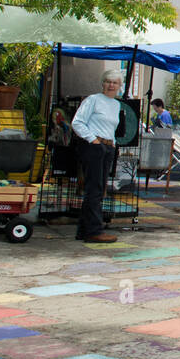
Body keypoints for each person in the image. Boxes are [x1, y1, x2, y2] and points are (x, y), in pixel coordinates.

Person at [70, 69, 123, 243]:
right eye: (108, 81)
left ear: (119, 86)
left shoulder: (116, 105)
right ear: (103, 83)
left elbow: (111, 127)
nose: (111, 85)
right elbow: (77, 122)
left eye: (115, 82)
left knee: (99, 189)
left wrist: (112, 143)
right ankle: (94, 230)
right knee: (94, 188)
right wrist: (93, 140)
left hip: (108, 147)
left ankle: (84, 230)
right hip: (94, 146)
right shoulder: (93, 100)